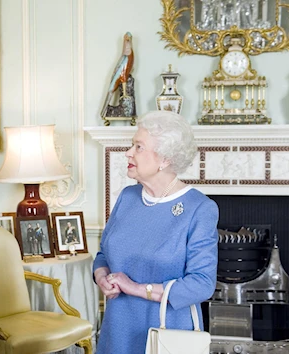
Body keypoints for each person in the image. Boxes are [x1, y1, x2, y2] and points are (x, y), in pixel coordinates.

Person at [92, 110, 219, 354]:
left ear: (165, 159)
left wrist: (136, 288)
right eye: (132, 145)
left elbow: (201, 284)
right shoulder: (128, 197)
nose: (128, 152)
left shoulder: (199, 208)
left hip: (168, 333)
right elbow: (103, 255)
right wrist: (101, 276)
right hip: (118, 329)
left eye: (138, 147)